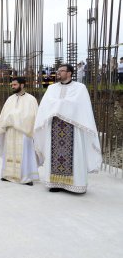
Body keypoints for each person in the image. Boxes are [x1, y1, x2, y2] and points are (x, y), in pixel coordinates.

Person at [34, 64, 102, 194]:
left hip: (73, 127)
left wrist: (58, 106)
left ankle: (75, 184)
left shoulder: (80, 88)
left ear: (69, 73)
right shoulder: (51, 88)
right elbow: (46, 105)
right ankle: (55, 183)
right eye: (58, 71)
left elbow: (78, 105)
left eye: (62, 71)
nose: (58, 73)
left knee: (75, 155)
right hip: (54, 126)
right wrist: (61, 106)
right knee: (53, 153)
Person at [0, 77, 39, 185]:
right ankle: (8, 175)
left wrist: (15, 118)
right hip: (10, 131)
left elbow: (32, 116)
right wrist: (8, 120)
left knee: (25, 154)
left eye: (15, 85)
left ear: (22, 85)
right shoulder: (10, 99)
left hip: (24, 131)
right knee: (9, 152)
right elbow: (4, 114)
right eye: (12, 85)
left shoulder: (31, 99)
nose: (13, 87)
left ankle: (26, 177)